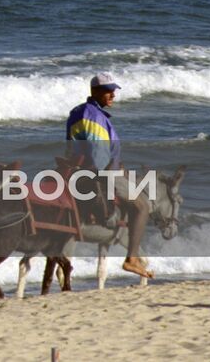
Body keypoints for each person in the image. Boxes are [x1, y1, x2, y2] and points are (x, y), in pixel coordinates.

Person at [66, 72, 153, 278]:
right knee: (142, 206)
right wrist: (111, 174)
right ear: (95, 92)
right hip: (98, 174)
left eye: (113, 91)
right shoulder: (94, 116)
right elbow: (99, 155)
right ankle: (131, 259)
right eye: (108, 91)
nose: (113, 95)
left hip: (78, 169)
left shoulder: (78, 112)